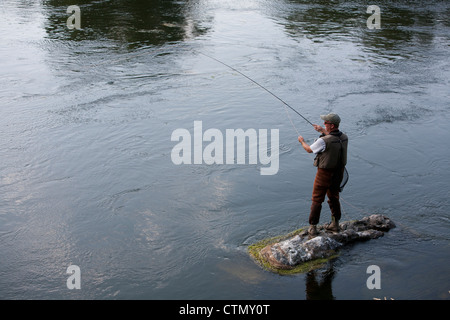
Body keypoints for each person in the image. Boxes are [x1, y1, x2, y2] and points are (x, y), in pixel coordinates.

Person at [298, 113, 348, 238]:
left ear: (331, 125)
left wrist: (302, 141)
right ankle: (335, 224)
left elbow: (309, 149)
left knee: (317, 199)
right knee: (334, 197)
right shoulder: (344, 137)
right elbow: (333, 138)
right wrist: (322, 130)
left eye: (325, 123)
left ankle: (313, 228)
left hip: (324, 174)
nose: (324, 124)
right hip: (339, 173)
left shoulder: (323, 141)